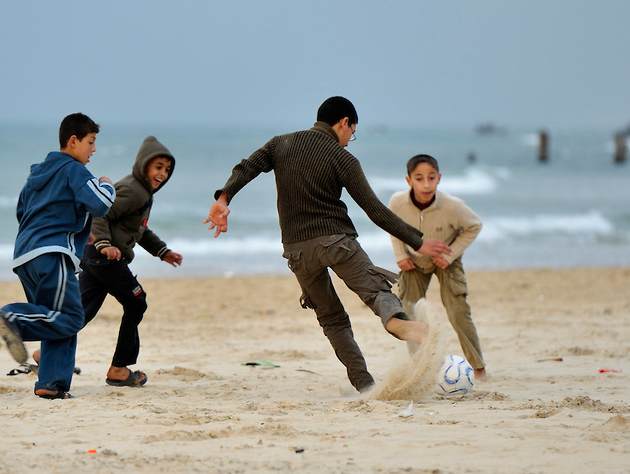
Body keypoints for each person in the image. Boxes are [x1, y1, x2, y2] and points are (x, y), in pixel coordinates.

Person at [203, 96, 452, 393]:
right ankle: (397, 321)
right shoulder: (342, 158)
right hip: (336, 241)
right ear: (344, 122)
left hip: (297, 251)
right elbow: (375, 210)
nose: (349, 141)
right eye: (352, 133)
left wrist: (223, 198)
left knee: (332, 319)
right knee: (376, 292)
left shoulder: (280, 143)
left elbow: (247, 167)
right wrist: (418, 241)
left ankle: (364, 385)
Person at [31, 136, 182, 387]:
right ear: (143, 165)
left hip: (93, 257)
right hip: (104, 258)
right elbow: (98, 213)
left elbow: (138, 229)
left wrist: (161, 251)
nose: (163, 174)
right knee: (136, 303)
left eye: (167, 170)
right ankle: (119, 369)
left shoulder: (142, 193)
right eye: (158, 167)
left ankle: (45, 354)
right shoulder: (133, 190)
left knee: (80, 311)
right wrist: (104, 243)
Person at [0, 113, 115, 399]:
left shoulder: (37, 174)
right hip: (53, 254)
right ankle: (13, 319)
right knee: (72, 317)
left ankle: (51, 385)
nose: (93, 150)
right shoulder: (73, 170)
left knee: (55, 316)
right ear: (73, 141)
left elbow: (22, 211)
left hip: (25, 256)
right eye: (91, 142)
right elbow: (101, 203)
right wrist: (106, 183)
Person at [387, 154, 487, 381]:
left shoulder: (452, 206)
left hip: (445, 259)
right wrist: (401, 255)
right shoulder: (397, 202)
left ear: (439, 179)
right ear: (408, 180)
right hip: (413, 260)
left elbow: (474, 226)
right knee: (410, 312)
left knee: (458, 312)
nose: (426, 184)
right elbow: (392, 226)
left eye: (431, 178)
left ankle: (478, 368)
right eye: (419, 178)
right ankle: (419, 365)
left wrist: (451, 257)